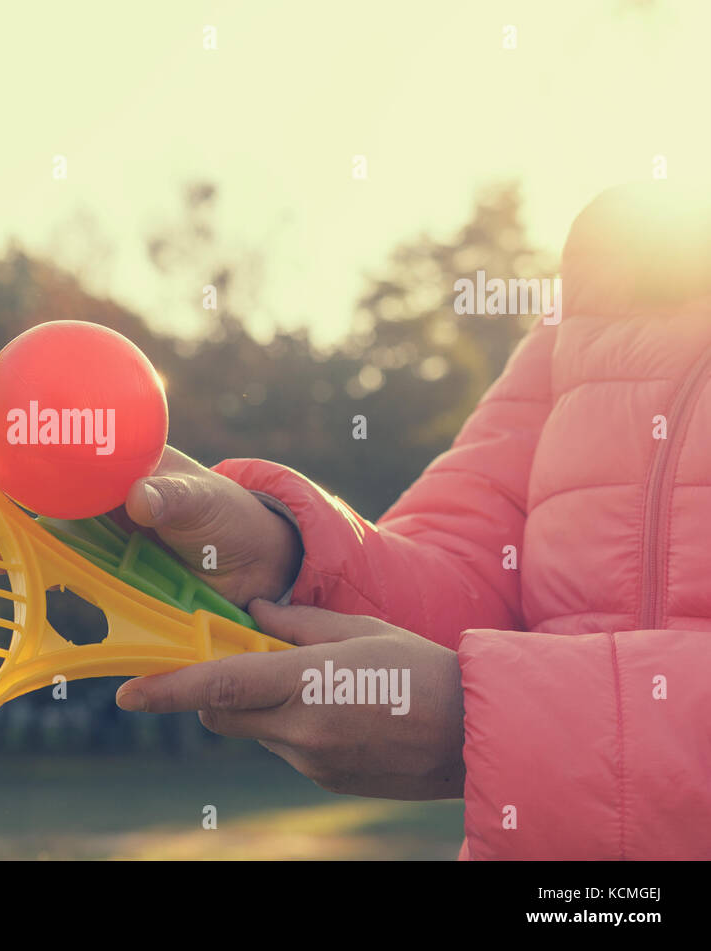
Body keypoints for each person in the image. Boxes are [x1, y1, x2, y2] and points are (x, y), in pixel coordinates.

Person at [112, 182, 711, 860]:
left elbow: (474, 687)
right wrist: (284, 555)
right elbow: (474, 570)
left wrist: (487, 721)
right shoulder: (622, 270)